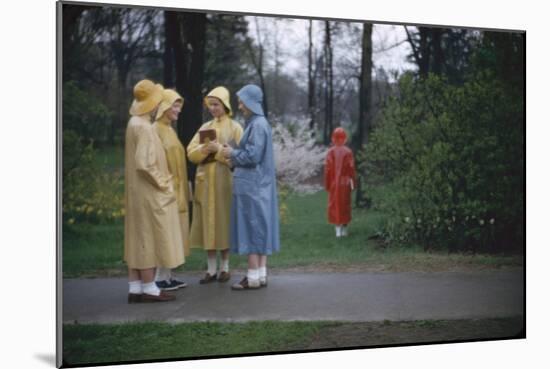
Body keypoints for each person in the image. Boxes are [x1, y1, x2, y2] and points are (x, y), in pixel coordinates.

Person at [124, 79, 184, 303]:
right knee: (147, 238)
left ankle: (136, 288)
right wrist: (164, 183)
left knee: (136, 237)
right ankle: (150, 288)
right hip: (148, 192)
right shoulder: (146, 128)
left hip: (136, 192)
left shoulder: (134, 123)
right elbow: (144, 163)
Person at [221, 84, 280, 290]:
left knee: (252, 229)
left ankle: (252, 277)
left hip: (253, 187)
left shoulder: (257, 125)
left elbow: (253, 156)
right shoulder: (259, 123)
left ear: (251, 102)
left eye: (242, 101)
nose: (239, 105)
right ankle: (260, 275)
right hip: (258, 185)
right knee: (260, 229)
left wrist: (232, 153)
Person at [187, 86, 243, 284]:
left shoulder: (235, 128)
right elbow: (190, 153)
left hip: (224, 183)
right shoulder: (204, 127)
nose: (212, 108)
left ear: (225, 104)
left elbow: (239, 158)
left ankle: (225, 267)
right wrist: (204, 149)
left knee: (223, 224)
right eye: (210, 104)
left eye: (216, 104)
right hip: (205, 182)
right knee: (207, 226)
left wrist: (218, 152)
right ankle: (211, 270)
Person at [152, 88, 191, 291]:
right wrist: (165, 185)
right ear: (164, 106)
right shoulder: (155, 130)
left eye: (179, 105)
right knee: (164, 232)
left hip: (178, 189)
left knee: (174, 232)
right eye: (174, 105)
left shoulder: (170, 129)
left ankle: (168, 276)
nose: (178, 110)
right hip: (165, 190)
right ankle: (159, 276)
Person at [324, 127, 356, 237]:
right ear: (344, 137)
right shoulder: (348, 152)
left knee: (335, 205)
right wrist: (353, 184)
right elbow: (351, 169)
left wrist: (327, 184)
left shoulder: (331, 152)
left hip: (334, 183)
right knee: (345, 205)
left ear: (333, 138)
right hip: (345, 183)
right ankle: (344, 229)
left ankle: (337, 229)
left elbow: (328, 170)